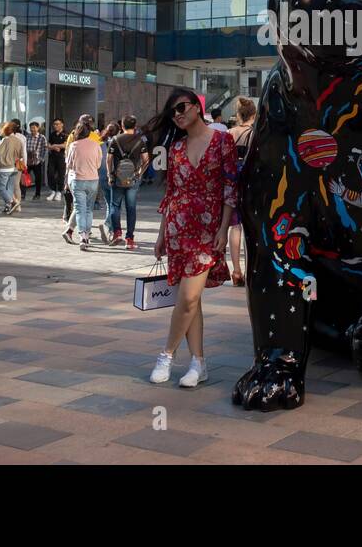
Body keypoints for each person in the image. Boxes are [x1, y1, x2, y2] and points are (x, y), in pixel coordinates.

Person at [146, 89, 238, 388]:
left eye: (182, 107)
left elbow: (229, 187)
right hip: (178, 229)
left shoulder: (223, 141)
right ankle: (198, 364)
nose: (178, 114)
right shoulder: (175, 149)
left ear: (197, 108)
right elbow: (171, 193)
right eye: (173, 112)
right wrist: (161, 235)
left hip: (207, 230)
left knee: (186, 299)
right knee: (192, 300)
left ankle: (167, 355)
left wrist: (224, 228)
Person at [107, 115, 149, 249]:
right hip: (133, 179)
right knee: (131, 208)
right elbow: (146, 160)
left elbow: (108, 159)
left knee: (115, 206)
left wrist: (109, 174)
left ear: (122, 126)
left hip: (117, 178)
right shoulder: (140, 140)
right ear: (135, 126)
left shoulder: (115, 139)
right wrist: (139, 174)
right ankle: (129, 239)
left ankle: (117, 233)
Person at [226, 97, 256, 285]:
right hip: (250, 181)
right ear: (253, 114)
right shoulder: (255, 134)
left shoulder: (229, 133)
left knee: (234, 226)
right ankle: (252, 269)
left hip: (230, 181)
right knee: (251, 227)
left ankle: (236, 270)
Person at [67, 123, 104, 248]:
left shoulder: (74, 145)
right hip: (93, 180)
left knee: (79, 209)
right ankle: (87, 235)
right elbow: (99, 164)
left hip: (78, 180)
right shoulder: (96, 144)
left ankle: (82, 236)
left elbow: (70, 164)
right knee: (88, 209)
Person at [0, 120, 25, 215]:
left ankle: (12, 202)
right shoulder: (19, 140)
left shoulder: (5, 140)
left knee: (1, 187)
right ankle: (8, 206)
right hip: (15, 167)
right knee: (10, 188)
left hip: (5, 166)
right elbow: (21, 154)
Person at [97, 121, 120, 210]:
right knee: (114, 202)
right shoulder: (119, 142)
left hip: (102, 173)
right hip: (116, 174)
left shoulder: (100, 142)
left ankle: (108, 221)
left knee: (108, 201)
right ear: (118, 131)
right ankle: (111, 222)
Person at [45, 118, 66, 201]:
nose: (56, 126)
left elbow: (65, 145)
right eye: (54, 124)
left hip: (62, 157)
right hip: (52, 157)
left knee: (61, 175)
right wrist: (53, 147)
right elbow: (48, 144)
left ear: (62, 124)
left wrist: (54, 146)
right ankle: (53, 191)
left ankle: (59, 192)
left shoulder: (65, 134)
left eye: (57, 124)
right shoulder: (52, 134)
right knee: (50, 173)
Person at [25, 121, 46, 201]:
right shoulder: (27, 136)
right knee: (24, 177)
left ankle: (37, 194)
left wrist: (41, 159)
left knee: (38, 178)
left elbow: (44, 149)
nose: (32, 129)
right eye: (31, 127)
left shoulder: (42, 137)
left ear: (38, 128)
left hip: (37, 161)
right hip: (28, 161)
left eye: (34, 127)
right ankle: (23, 194)